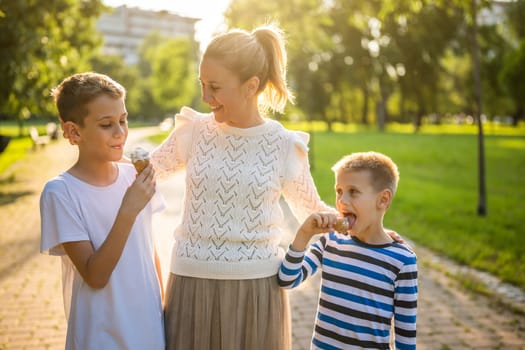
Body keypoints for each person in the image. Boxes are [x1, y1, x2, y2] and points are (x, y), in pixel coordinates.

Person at [149, 24, 333, 350]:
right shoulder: (193, 132)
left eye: (215, 87)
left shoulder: (283, 145)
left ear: (251, 86)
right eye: (202, 85)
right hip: (192, 284)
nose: (205, 97)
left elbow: (313, 210)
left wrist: (366, 225)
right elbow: (144, 173)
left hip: (257, 289)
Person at [40, 72, 165, 350]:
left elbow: (149, 250)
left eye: (123, 120)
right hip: (101, 336)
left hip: (149, 328)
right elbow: (95, 276)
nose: (120, 132)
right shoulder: (60, 192)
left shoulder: (134, 176)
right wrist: (127, 211)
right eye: (107, 124)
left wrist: (164, 311)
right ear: (74, 132)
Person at [278, 151, 418, 350]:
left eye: (353, 191)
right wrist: (304, 233)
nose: (342, 200)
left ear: (383, 199)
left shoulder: (402, 260)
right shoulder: (331, 241)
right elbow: (287, 279)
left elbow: (406, 336)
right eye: (339, 191)